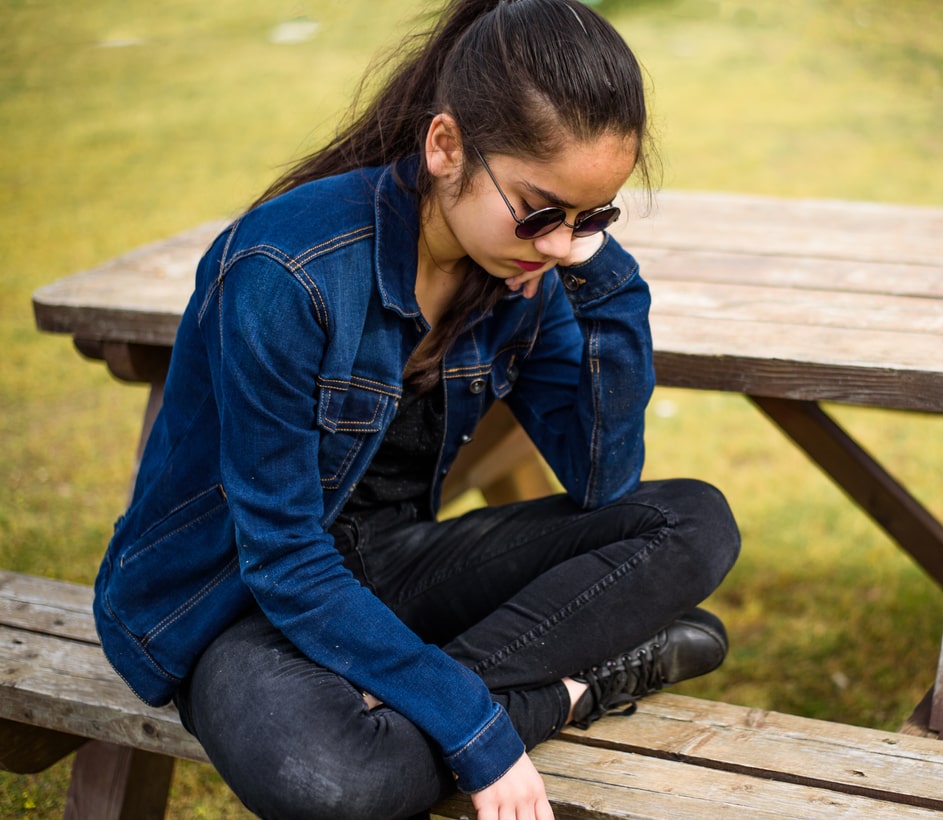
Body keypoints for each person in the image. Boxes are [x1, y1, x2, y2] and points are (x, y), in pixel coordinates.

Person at [91, 1, 741, 817]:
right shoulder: (286, 270)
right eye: (541, 210)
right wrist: (479, 731)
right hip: (238, 603)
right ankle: (566, 694)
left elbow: (605, 479)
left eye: (590, 218)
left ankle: (420, 699)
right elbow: (284, 559)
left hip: (391, 565)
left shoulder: (525, 276)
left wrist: (606, 277)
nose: (556, 243)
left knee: (695, 522)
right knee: (339, 781)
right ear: (445, 147)